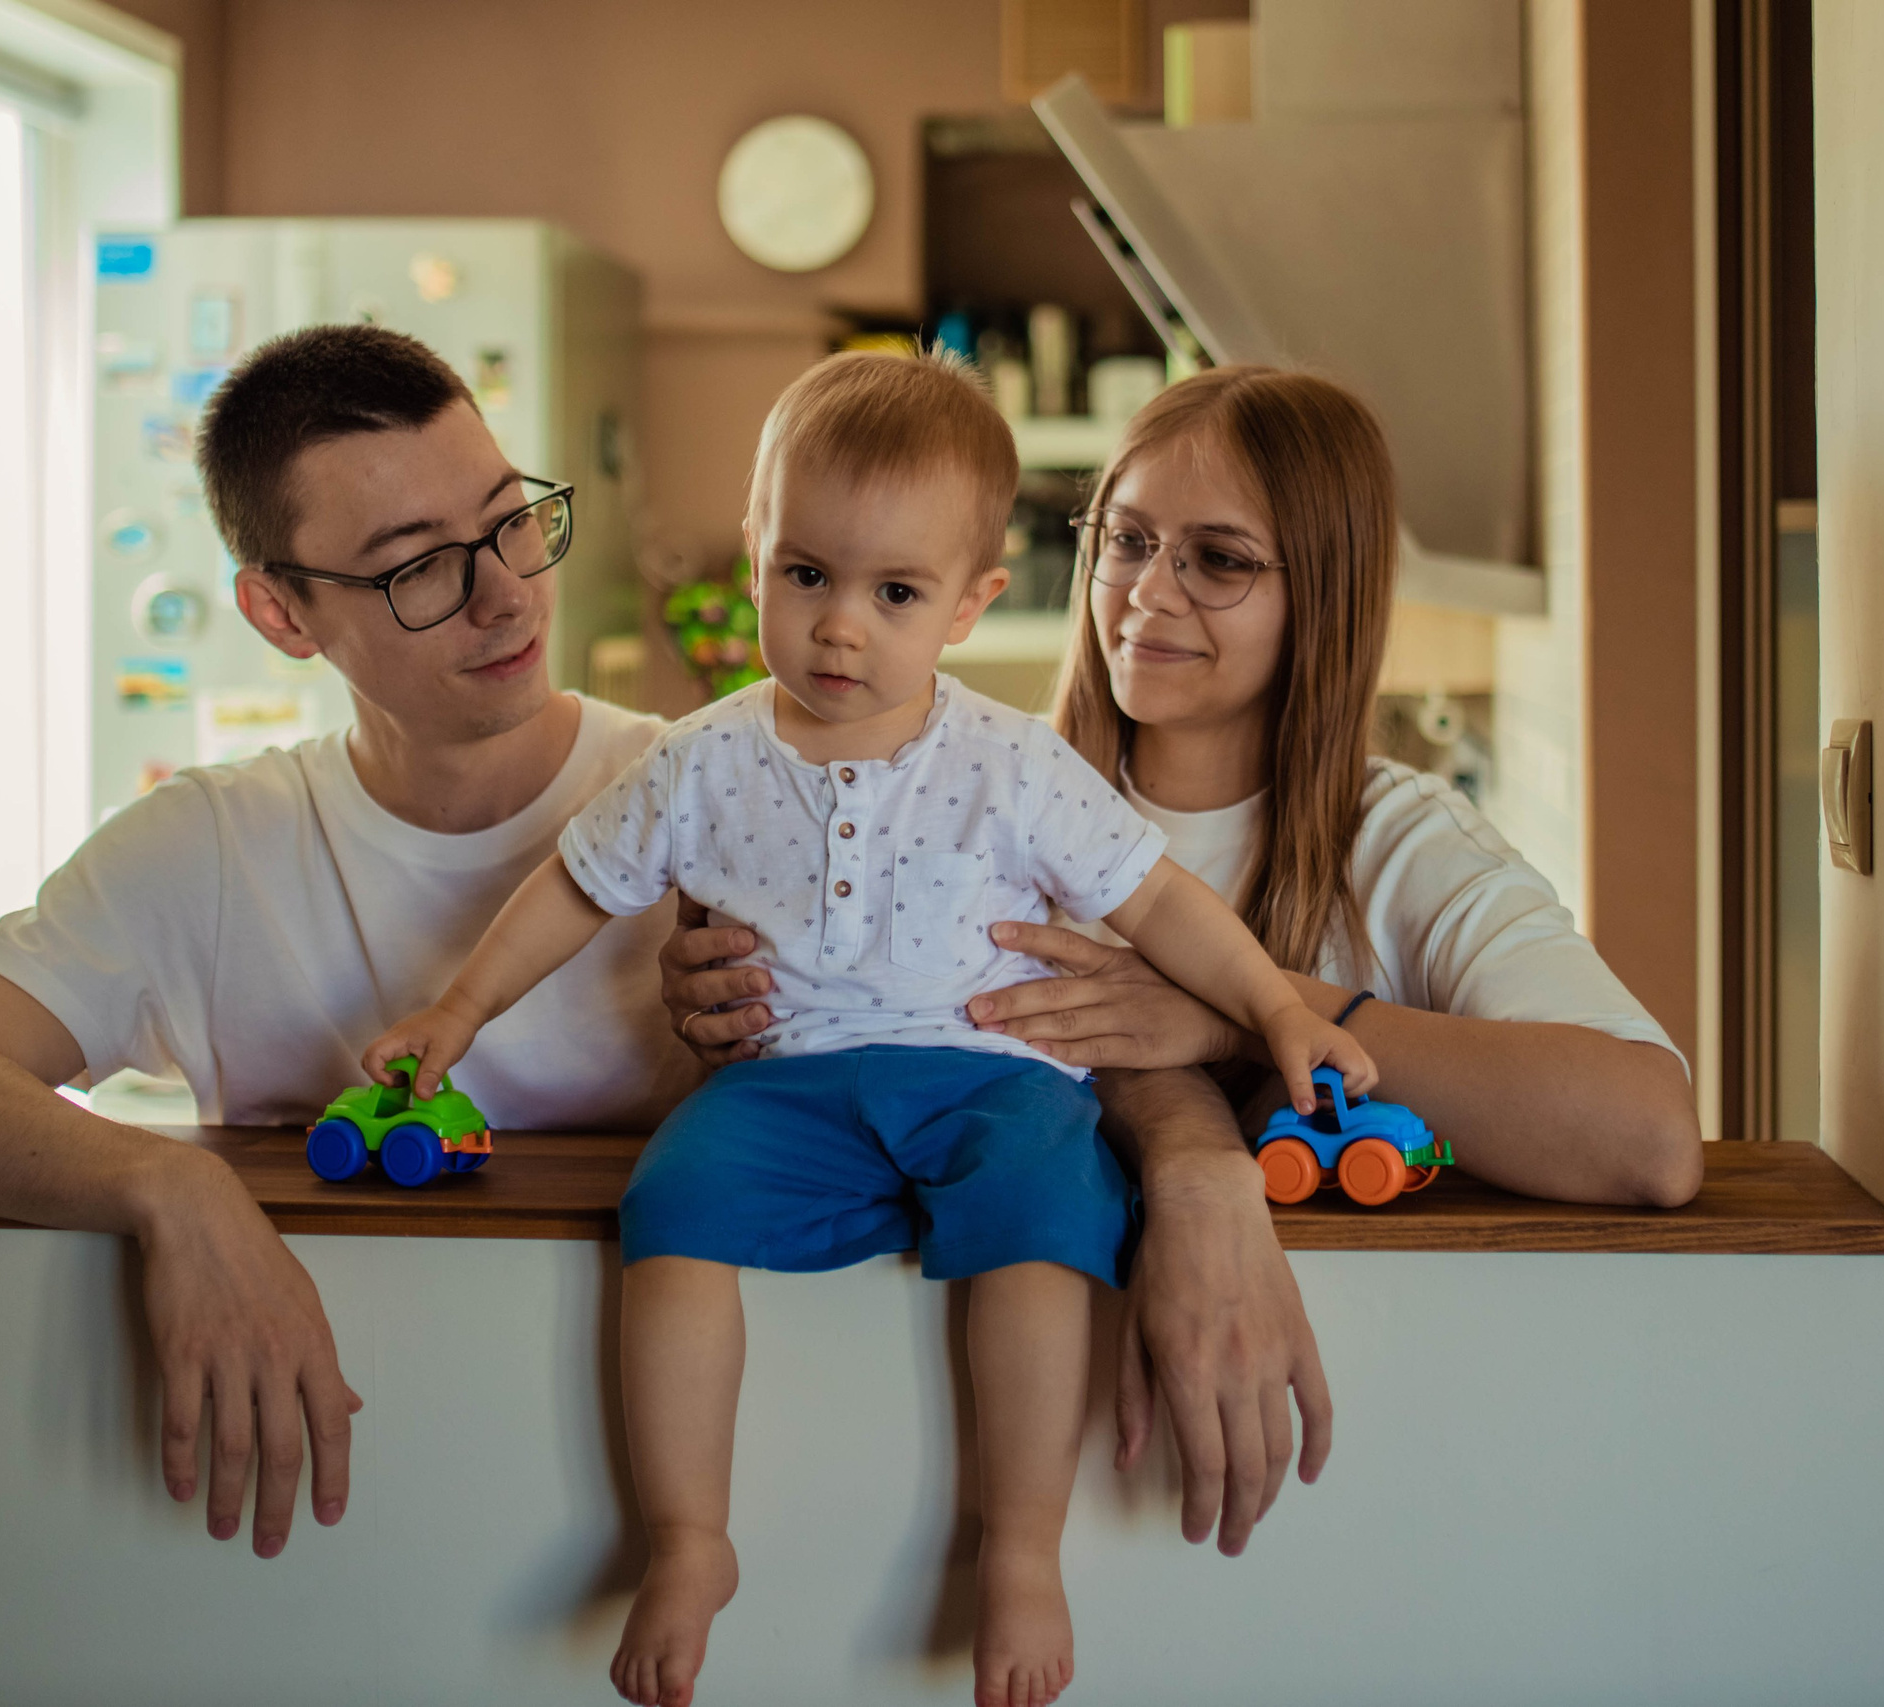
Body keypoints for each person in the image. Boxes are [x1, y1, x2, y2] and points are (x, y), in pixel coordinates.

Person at [361, 351, 1373, 1707]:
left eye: (895, 593)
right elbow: (573, 887)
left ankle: (1020, 1547)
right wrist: (457, 1010)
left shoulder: (1015, 763)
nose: (841, 626)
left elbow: (1160, 902)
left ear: (970, 602)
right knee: (670, 1204)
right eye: (806, 574)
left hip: (994, 1077)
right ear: (754, 558)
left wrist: (1278, 1007)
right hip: (789, 1083)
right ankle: (690, 1537)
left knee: (1044, 1216)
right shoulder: (702, 759)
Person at [657, 365, 1704, 1563]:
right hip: (892, 1471)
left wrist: (1242, 1013)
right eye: (1127, 540)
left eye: (1219, 559)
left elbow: (1647, 1139)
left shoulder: (1401, 842)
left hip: (1355, 1510)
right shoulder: (962, 797)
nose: (1148, 593)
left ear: (1326, 595)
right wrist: (708, 1007)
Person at [0, 326, 703, 1562]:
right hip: (332, 1514)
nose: (504, 593)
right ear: (282, 613)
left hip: (645, 1493)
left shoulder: (706, 796)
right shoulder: (213, 848)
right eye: (418, 567)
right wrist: (174, 1187)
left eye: (507, 521)